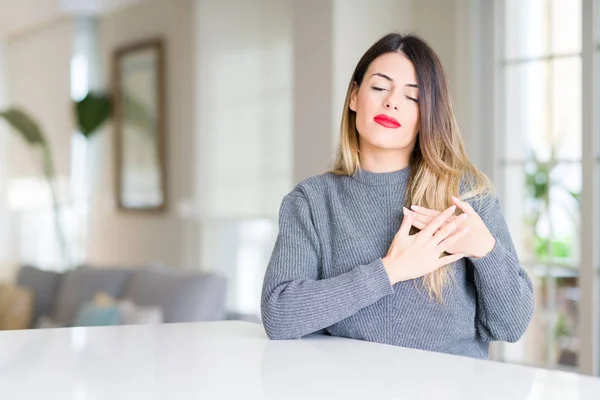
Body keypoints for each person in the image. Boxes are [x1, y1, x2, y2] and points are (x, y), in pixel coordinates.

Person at [260, 32, 534, 359]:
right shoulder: (311, 201)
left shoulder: (465, 194)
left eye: (413, 97)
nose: (391, 101)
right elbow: (279, 315)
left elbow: (512, 325)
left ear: (428, 115)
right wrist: (391, 270)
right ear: (353, 97)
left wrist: (483, 250)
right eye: (379, 87)